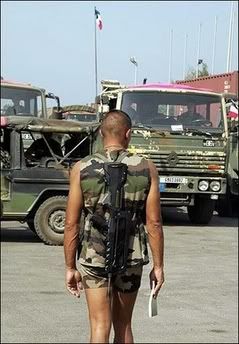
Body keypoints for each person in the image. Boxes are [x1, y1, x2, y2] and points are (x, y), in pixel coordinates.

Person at [64, 110, 164, 344]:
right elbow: (154, 223)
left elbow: (71, 223)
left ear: (101, 134)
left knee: (99, 325)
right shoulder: (147, 168)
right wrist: (158, 266)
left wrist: (70, 267)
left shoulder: (81, 168)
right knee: (124, 325)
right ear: (128, 134)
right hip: (131, 256)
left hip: (93, 256)